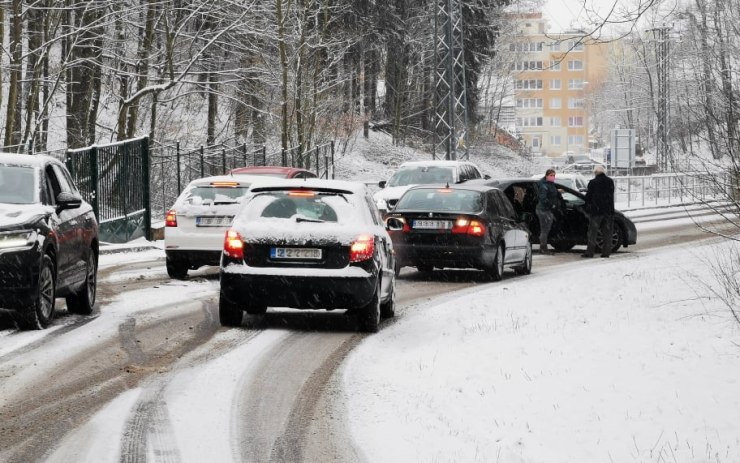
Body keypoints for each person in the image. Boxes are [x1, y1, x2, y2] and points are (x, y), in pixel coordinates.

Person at [582, 165, 615, 258]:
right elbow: (611, 194)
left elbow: (588, 197)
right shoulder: (610, 181)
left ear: (595, 173)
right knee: (607, 233)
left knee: (593, 233)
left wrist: (586, 203)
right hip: (608, 211)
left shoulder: (593, 182)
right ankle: (606, 252)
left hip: (596, 211)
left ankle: (590, 252)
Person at [536, 168, 559, 254]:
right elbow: (543, 198)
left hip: (546, 210)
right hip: (543, 210)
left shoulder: (549, 184)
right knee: (544, 230)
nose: (553, 177)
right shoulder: (544, 186)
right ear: (546, 176)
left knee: (545, 229)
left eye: (554, 175)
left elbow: (551, 193)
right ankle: (543, 248)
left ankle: (543, 247)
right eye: (551, 175)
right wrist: (551, 205)